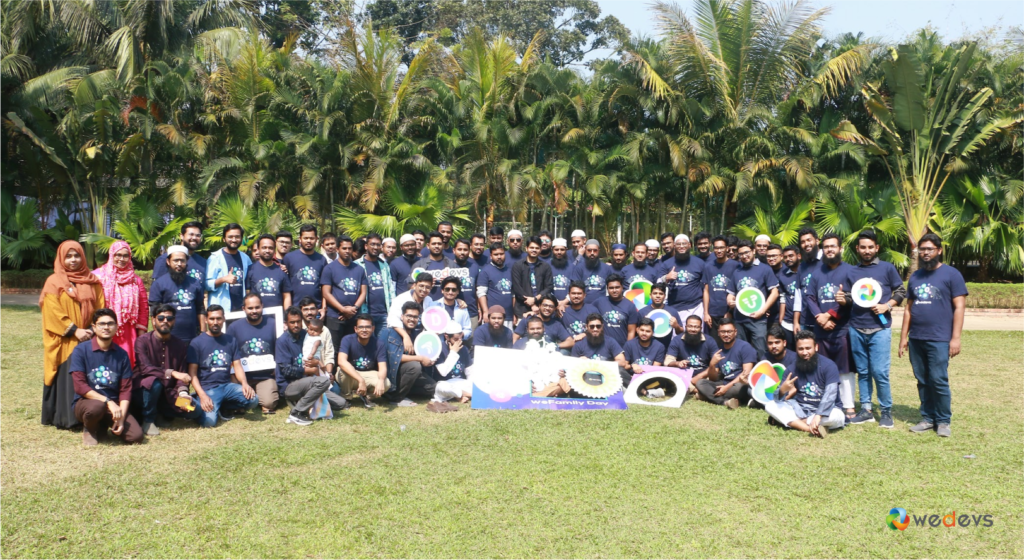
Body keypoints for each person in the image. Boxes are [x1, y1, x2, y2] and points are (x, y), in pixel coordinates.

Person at [898, 233, 966, 438]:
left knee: (938, 379)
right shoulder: (916, 276)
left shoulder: (951, 274)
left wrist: (955, 338)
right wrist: (903, 338)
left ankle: (943, 420)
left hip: (939, 338)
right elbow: (908, 309)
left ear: (939, 250)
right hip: (917, 338)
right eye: (922, 249)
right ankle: (927, 418)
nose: (925, 253)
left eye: (929, 249)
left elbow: (960, 307)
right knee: (922, 379)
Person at [841, 230, 904, 428]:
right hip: (856, 327)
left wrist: (888, 305)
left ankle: (886, 411)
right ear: (857, 249)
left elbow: (901, 290)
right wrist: (844, 299)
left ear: (877, 248)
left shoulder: (887, 268)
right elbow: (852, 298)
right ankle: (866, 410)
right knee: (863, 371)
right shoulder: (852, 272)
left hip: (880, 328)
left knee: (880, 372)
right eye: (863, 247)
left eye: (870, 247)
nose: (867, 251)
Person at [40, 240, 105, 430]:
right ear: (61, 258)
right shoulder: (54, 281)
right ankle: (67, 418)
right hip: (65, 340)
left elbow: (100, 307)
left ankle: (87, 415)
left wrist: (94, 329)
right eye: (68, 256)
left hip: (88, 338)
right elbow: (52, 311)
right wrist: (74, 330)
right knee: (67, 378)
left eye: (76, 255)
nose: (73, 260)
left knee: (86, 377)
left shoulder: (92, 280)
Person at [70, 308, 143, 445]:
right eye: (101, 324)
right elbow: (80, 387)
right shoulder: (81, 350)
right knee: (96, 407)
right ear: (94, 327)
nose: (106, 327)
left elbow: (125, 389)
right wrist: (108, 401)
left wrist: (121, 417)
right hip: (87, 403)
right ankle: (90, 428)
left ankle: (103, 425)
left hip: (114, 407)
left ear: (116, 327)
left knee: (136, 436)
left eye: (110, 324)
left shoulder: (121, 354)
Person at [805, 232, 855, 420]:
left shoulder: (850, 271)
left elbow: (850, 297)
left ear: (840, 248)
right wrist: (819, 316)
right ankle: (828, 402)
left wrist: (831, 315)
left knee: (845, 368)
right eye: (826, 247)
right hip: (820, 328)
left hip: (842, 328)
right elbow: (809, 296)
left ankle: (849, 406)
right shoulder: (817, 273)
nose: (830, 249)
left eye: (833, 246)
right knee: (823, 367)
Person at [133, 304, 203, 435]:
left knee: (194, 410)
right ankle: (148, 420)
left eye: (169, 318)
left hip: (169, 394)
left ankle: (161, 412)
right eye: (161, 318)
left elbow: (183, 375)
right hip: (145, 393)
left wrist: (183, 394)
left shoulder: (180, 345)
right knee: (154, 382)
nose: (165, 321)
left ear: (174, 321)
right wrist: (173, 373)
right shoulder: (142, 341)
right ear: (153, 320)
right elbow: (145, 368)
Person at [764, 330, 846, 437]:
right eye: (800, 349)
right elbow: (776, 399)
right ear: (796, 350)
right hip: (801, 410)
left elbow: (830, 394)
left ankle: (791, 422)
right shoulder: (791, 369)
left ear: (816, 347)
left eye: (808, 348)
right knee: (770, 406)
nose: (804, 352)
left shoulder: (829, 366)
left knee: (837, 416)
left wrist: (818, 415)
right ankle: (809, 428)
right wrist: (782, 390)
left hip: (828, 411)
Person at [187, 305, 259, 427]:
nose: (215, 322)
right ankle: (199, 404)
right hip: (208, 389)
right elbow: (192, 374)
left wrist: (244, 383)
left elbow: (237, 366)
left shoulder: (230, 340)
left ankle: (221, 406)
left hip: (227, 386)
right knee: (209, 423)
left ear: (224, 319)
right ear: (206, 320)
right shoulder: (197, 342)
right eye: (212, 319)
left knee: (253, 400)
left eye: (219, 318)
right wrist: (202, 395)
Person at [275, 306, 348, 426]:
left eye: (298, 321)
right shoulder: (282, 341)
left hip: (310, 382)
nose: (296, 325)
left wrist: (318, 365)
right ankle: (296, 413)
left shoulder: (308, 335)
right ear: (286, 323)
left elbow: (318, 355)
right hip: (290, 385)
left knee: (341, 403)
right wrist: (308, 369)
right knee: (323, 383)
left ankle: (305, 402)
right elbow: (286, 370)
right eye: (292, 322)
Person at [92, 241, 148, 366]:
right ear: (111, 255)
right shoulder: (98, 276)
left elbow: (143, 306)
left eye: (125, 255)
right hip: (104, 327)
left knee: (126, 363)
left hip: (128, 331)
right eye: (118, 255)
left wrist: (141, 332)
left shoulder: (135, 280)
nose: (122, 259)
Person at [226, 293, 279, 413]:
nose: (254, 311)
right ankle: (248, 396)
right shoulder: (234, 327)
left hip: (265, 376)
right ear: (243, 308)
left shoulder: (273, 324)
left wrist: (277, 368)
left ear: (262, 306)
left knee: (269, 403)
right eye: (250, 308)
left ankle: (258, 395)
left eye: (257, 307)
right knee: (238, 404)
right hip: (242, 377)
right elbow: (228, 353)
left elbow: (279, 349)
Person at [378, 301, 438, 406]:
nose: (412, 319)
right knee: (414, 366)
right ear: (402, 317)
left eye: (415, 317)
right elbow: (395, 358)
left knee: (432, 388)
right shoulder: (388, 332)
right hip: (391, 374)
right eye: (409, 316)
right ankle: (395, 397)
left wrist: (429, 359)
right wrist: (420, 358)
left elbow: (423, 355)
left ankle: (404, 390)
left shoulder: (417, 335)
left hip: (409, 375)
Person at [730, 239, 779, 356]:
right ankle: (745, 373)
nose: (744, 256)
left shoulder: (765, 269)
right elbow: (731, 293)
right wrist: (730, 301)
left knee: (761, 351)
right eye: (741, 254)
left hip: (758, 319)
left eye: (747, 252)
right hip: (739, 318)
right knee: (741, 350)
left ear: (753, 251)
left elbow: (775, 292)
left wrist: (762, 311)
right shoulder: (737, 271)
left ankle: (762, 373)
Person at [149, 245, 206, 345]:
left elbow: (200, 308)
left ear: (187, 261)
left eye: (182, 261)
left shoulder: (195, 283)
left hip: (192, 337)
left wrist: (203, 332)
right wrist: (158, 335)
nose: (179, 264)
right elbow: (154, 312)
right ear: (168, 261)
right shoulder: (159, 283)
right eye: (176, 260)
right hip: (167, 337)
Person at [694, 318, 756, 408]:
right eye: (723, 332)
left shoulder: (745, 347)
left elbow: (745, 374)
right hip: (724, 383)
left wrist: (726, 388)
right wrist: (712, 364)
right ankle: (725, 402)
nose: (726, 334)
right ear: (718, 333)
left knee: (738, 388)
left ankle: (707, 396)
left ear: (735, 332)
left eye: (729, 331)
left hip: (739, 384)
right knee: (701, 383)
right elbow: (712, 378)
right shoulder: (719, 351)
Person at [321, 234, 368, 351]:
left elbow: (363, 292)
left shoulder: (359, 269)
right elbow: (326, 293)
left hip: (353, 316)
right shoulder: (330, 268)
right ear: (337, 249)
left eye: (349, 248)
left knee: (352, 348)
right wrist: (342, 309)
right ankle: (333, 370)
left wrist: (354, 309)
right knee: (334, 348)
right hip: (335, 316)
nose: (347, 251)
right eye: (344, 248)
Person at [337, 314, 388, 408]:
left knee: (386, 383)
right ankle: (346, 397)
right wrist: (361, 380)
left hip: (367, 373)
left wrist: (381, 380)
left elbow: (383, 367)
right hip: (350, 375)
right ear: (356, 329)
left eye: (367, 327)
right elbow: (341, 361)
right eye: (361, 327)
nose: (364, 330)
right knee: (343, 370)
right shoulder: (347, 339)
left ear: (373, 328)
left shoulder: (379, 343)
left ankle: (366, 396)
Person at [657, 234, 707, 324]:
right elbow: (658, 285)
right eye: (678, 244)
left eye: (684, 244)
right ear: (675, 246)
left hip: (696, 308)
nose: (681, 246)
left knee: (695, 335)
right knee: (677, 337)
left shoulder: (700, 263)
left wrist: (706, 312)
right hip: (673, 308)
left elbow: (706, 288)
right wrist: (666, 277)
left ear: (689, 245)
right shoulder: (666, 264)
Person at [571, 314, 629, 386]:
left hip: (606, 373)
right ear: (586, 327)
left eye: (598, 326)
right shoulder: (579, 344)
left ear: (602, 326)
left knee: (620, 370)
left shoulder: (610, 341)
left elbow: (622, 362)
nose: (595, 329)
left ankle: (639, 390)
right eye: (592, 326)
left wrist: (598, 364)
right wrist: (580, 361)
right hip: (587, 374)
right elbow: (572, 366)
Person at [283, 224, 328, 317]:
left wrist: (323, 308)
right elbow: (284, 286)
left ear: (316, 239)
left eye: (311, 238)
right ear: (300, 239)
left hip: (316, 310)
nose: (308, 241)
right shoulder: (289, 258)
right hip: (295, 309)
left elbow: (325, 287)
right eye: (305, 238)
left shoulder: (321, 260)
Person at [666, 315, 719, 392]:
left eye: (696, 327)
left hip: (704, 376)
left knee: (707, 379)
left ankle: (694, 389)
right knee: (672, 376)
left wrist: (699, 376)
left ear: (701, 328)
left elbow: (716, 366)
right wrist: (678, 363)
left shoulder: (710, 341)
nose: (693, 329)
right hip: (683, 375)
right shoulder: (676, 340)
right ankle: (699, 391)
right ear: (685, 327)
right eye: (690, 326)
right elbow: (668, 362)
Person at [355, 232, 395, 335]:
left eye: (378, 245)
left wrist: (392, 310)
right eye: (372, 244)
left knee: (383, 345)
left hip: (384, 314)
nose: (375, 247)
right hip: (365, 313)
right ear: (366, 246)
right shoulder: (357, 265)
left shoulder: (384, 265)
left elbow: (390, 289)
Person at [703, 235, 739, 346]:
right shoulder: (708, 266)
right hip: (713, 314)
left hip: (730, 313)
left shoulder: (736, 265)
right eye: (716, 248)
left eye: (722, 247)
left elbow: (739, 289)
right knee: (714, 345)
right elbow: (706, 290)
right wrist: (706, 313)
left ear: (727, 248)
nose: (719, 250)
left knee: (731, 344)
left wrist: (730, 311)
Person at [206, 223, 251, 312]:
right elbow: (206, 284)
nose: (234, 240)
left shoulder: (246, 258)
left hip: (241, 309)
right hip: (220, 310)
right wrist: (223, 279)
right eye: (230, 237)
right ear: (224, 239)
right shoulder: (215, 257)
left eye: (237, 237)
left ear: (241, 239)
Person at [428, 322, 474, 411]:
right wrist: (453, 352)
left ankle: (459, 395)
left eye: (461, 338)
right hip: (445, 384)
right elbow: (443, 372)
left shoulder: (463, 348)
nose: (459, 342)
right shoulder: (440, 348)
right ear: (446, 336)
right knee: (441, 386)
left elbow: (470, 372)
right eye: (455, 339)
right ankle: (468, 394)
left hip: (460, 383)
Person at [387, 273, 437, 351]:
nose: (424, 290)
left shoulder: (429, 300)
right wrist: (405, 336)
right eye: (421, 286)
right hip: (401, 338)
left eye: (427, 287)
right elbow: (392, 321)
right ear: (415, 285)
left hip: (421, 340)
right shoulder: (400, 299)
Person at [246, 234, 292, 309]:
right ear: (258, 249)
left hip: (277, 317)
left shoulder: (282, 270)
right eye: (264, 247)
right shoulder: (250, 269)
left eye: (270, 248)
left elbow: (287, 296)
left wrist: (286, 317)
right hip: (256, 316)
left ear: (274, 249)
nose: (267, 250)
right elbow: (247, 295)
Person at [511, 236, 553, 319]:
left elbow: (549, 287)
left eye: (537, 248)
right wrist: (532, 304)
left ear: (540, 249)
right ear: (526, 248)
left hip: (541, 310)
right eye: (532, 247)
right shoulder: (518, 265)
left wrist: (535, 299)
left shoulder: (545, 266)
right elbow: (517, 288)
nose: (534, 250)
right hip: (522, 310)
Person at [411, 231, 456, 299]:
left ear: (443, 246)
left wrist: (447, 283)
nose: (437, 246)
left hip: (446, 305)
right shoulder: (419, 265)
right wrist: (426, 284)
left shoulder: (452, 265)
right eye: (434, 244)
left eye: (439, 244)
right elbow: (411, 287)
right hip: (424, 305)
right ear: (428, 246)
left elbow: (459, 287)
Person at [595, 274, 638, 346]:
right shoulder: (599, 302)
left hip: (621, 348)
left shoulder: (630, 306)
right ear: (607, 289)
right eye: (611, 288)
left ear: (622, 287)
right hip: (602, 347)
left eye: (617, 287)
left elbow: (631, 332)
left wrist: (627, 349)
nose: (614, 290)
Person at [477, 244, 514, 326]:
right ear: (491, 256)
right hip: (493, 317)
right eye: (496, 254)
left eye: (501, 254)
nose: (499, 257)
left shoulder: (510, 271)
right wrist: (486, 312)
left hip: (509, 316)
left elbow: (513, 294)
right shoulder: (485, 271)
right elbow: (481, 293)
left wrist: (515, 313)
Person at [638, 282, 681, 349]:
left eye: (661, 294)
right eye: (655, 293)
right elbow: (636, 332)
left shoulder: (672, 312)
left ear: (665, 296)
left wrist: (676, 326)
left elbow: (680, 333)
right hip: (646, 349)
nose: (658, 296)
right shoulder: (642, 312)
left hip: (666, 349)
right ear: (650, 295)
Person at [795, 226, 821, 332]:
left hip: (825, 320)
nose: (806, 244)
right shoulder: (802, 266)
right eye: (803, 242)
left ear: (817, 241)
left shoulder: (827, 261)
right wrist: (796, 321)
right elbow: (798, 295)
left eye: (809, 240)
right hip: (805, 322)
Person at [776, 245, 802, 349]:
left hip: (804, 321)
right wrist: (781, 319)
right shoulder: (783, 275)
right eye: (785, 257)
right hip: (787, 322)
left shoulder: (805, 272)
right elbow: (783, 297)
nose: (788, 259)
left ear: (799, 256)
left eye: (791, 256)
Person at [298, 297, 335, 371]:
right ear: (300, 312)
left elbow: (329, 355)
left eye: (312, 309)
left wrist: (329, 373)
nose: (309, 313)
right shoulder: (298, 329)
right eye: (305, 310)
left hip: (321, 371)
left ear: (317, 310)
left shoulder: (324, 330)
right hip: (302, 371)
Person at [451, 238, 481, 327]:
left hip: (472, 312)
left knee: (472, 340)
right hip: (453, 312)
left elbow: (477, 290)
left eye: (465, 250)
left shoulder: (474, 267)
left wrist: (479, 309)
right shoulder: (448, 267)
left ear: (469, 251)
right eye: (459, 249)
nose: (462, 252)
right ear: (454, 250)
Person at [574, 239, 613, 304]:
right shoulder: (579, 268)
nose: (592, 253)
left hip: (602, 306)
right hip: (583, 307)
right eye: (589, 250)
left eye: (595, 250)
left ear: (599, 251)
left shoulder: (606, 268)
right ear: (585, 250)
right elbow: (575, 289)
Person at [548, 239, 575, 311]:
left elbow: (575, 286)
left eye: (562, 250)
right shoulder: (546, 266)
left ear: (566, 250)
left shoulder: (572, 266)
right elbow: (545, 287)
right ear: (552, 249)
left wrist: (564, 302)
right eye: (556, 250)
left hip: (568, 306)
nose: (559, 252)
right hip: (550, 306)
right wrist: (555, 302)